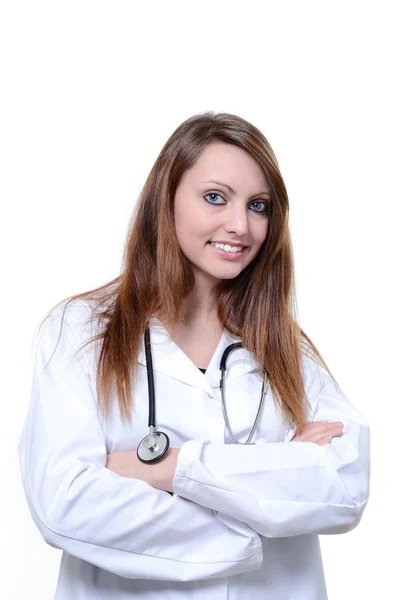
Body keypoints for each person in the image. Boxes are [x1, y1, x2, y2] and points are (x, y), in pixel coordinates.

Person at [18, 111, 370, 599]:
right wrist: (265, 501)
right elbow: (65, 502)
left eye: (259, 205)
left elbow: (344, 487)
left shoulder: (283, 345)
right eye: (215, 198)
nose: (241, 225)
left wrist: (165, 467)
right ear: (167, 200)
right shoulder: (82, 332)